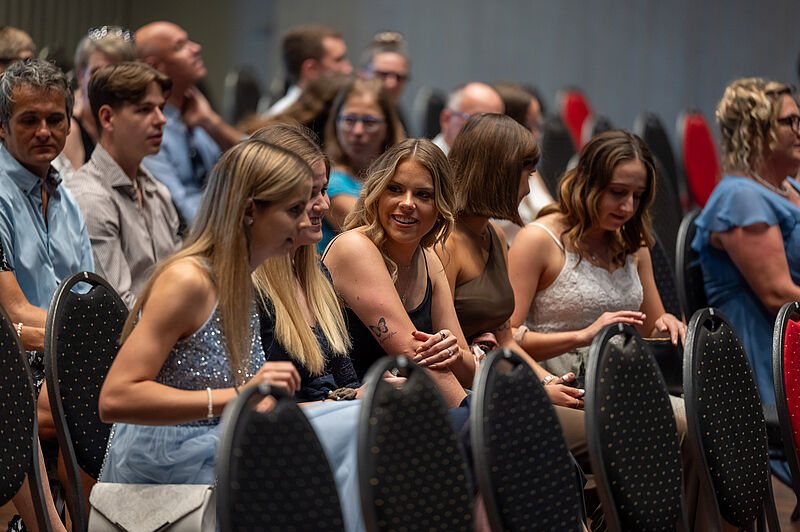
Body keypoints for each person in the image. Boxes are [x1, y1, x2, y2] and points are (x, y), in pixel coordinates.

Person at [508, 130, 717, 529]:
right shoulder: (539, 239)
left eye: (637, 196)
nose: (627, 206)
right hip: (564, 378)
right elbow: (509, 338)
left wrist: (668, 324)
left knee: (705, 421)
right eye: (618, 192)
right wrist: (586, 334)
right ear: (585, 181)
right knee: (683, 426)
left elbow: (653, 325)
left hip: (625, 375)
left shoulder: (633, 241)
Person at [98, 139, 312, 485]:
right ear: (250, 210)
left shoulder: (241, 281)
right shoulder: (188, 281)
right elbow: (115, 398)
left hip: (220, 451)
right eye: (294, 210)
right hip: (167, 473)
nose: (304, 222)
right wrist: (240, 396)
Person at [323, 138, 482, 408]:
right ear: (377, 193)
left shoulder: (429, 258)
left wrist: (451, 351)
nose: (407, 203)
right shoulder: (355, 248)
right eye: (395, 189)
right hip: (352, 409)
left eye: (423, 195)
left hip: (409, 406)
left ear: (440, 206)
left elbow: (468, 371)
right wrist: (474, 418)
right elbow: (415, 356)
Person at [694, 78, 800, 407]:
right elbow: (778, 295)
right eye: (789, 122)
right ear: (755, 132)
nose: (798, 130)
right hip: (767, 360)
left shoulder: (789, 186)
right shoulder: (741, 197)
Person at [251, 123, 360, 400]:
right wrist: (340, 401)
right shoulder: (246, 284)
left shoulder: (316, 271)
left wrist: (367, 392)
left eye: (323, 190)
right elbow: (254, 406)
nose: (324, 205)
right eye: (310, 194)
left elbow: (346, 380)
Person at [65, 62, 180, 308]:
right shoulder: (91, 198)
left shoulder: (156, 190)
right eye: (144, 110)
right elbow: (118, 310)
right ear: (107, 118)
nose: (161, 120)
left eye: (161, 108)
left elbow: (180, 278)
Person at [135, 21, 244, 223]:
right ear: (154, 67)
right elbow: (179, 213)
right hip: (197, 234)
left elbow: (260, 163)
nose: (196, 48)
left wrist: (212, 124)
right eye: (180, 46)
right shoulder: (148, 131)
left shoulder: (198, 112)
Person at [320, 78, 404, 250]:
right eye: (349, 120)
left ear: (387, 127)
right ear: (336, 123)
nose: (357, 131)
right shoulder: (327, 180)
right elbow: (382, 235)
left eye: (369, 122)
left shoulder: (399, 174)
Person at [62, 26, 137, 170]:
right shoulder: (69, 129)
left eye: (116, 73)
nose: (107, 82)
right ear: (81, 76)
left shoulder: (132, 128)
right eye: (97, 72)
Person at [491, 82, 553, 243]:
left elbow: (551, 209)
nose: (537, 135)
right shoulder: (489, 178)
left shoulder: (526, 165)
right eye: (530, 126)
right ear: (508, 126)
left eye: (538, 125)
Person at [260, 24, 352, 117]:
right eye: (338, 60)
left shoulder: (338, 109)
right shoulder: (281, 120)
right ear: (310, 69)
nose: (348, 69)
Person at [432, 82, 504, 155]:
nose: (488, 130)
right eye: (477, 120)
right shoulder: (428, 161)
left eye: (495, 123)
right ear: (446, 119)